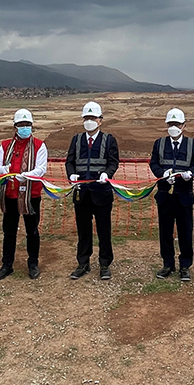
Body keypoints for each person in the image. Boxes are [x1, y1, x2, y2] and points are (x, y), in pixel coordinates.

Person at [0, 108, 48, 281]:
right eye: (21, 125)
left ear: (32, 126)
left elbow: (41, 169)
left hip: (31, 195)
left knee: (32, 231)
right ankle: (7, 265)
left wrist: (26, 175)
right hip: (10, 195)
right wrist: (4, 170)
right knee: (9, 232)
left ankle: (33, 264)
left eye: (27, 124)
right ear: (15, 126)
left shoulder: (39, 145)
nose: (25, 127)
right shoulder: (5, 145)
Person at [65, 101, 119, 281]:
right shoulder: (76, 140)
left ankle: (105, 264)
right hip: (82, 192)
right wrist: (71, 174)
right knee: (83, 230)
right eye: (86, 118)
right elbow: (70, 162)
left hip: (101, 192)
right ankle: (83, 263)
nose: (89, 121)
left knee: (104, 230)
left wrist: (107, 173)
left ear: (100, 120)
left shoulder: (109, 139)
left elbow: (113, 162)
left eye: (93, 118)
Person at [149, 108, 194, 281]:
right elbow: (154, 163)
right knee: (165, 232)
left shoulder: (193, 144)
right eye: (170, 124)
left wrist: (190, 173)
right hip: (165, 195)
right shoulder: (159, 143)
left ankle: (185, 266)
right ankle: (168, 264)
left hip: (184, 195)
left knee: (185, 231)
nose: (174, 127)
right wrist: (161, 174)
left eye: (177, 124)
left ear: (184, 125)